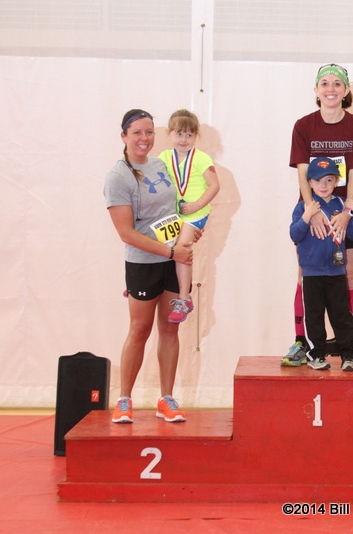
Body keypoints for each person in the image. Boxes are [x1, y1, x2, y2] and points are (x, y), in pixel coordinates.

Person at [103, 109, 195, 424]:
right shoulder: (118, 177)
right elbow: (126, 233)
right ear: (124, 137)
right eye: (137, 133)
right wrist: (171, 251)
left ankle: (166, 398)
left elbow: (173, 211)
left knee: (170, 328)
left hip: (174, 260)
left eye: (149, 132)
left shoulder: (160, 164)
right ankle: (124, 400)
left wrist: (189, 232)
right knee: (139, 330)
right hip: (144, 263)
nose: (144, 139)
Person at [284, 63, 353, 366]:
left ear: (345, 90)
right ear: (316, 90)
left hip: (344, 214)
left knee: (348, 273)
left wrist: (347, 211)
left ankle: (350, 346)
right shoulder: (303, 125)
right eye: (325, 83)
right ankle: (303, 344)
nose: (331, 89)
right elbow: (302, 173)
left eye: (337, 83)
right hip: (313, 213)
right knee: (306, 275)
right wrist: (313, 212)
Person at [288, 157, 353, 371]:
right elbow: (294, 235)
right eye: (318, 180)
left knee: (342, 316)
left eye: (329, 180)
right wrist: (306, 217)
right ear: (309, 183)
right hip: (311, 274)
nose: (323, 185)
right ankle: (316, 355)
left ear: (337, 181)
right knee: (314, 318)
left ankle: (349, 355)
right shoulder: (303, 207)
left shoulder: (342, 206)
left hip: (336, 272)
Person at [158, 109, 220, 323]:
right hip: (173, 215)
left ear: (195, 136)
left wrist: (196, 205)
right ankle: (142, 282)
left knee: (182, 248)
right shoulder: (164, 157)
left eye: (189, 135)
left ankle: (184, 298)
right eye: (179, 133)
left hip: (195, 214)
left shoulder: (202, 158)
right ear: (169, 133)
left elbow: (214, 186)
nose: (183, 139)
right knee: (151, 239)